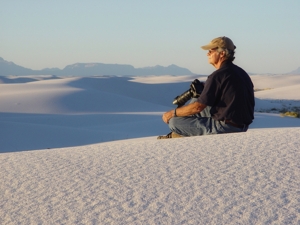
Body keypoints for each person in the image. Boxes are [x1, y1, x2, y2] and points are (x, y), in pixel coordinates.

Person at [157, 36, 255, 139]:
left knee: (174, 122)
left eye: (211, 51)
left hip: (225, 128)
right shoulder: (241, 73)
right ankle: (184, 132)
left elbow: (198, 107)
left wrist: (173, 113)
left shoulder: (217, 76)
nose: (207, 54)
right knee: (196, 99)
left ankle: (181, 135)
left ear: (222, 54)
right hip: (241, 126)